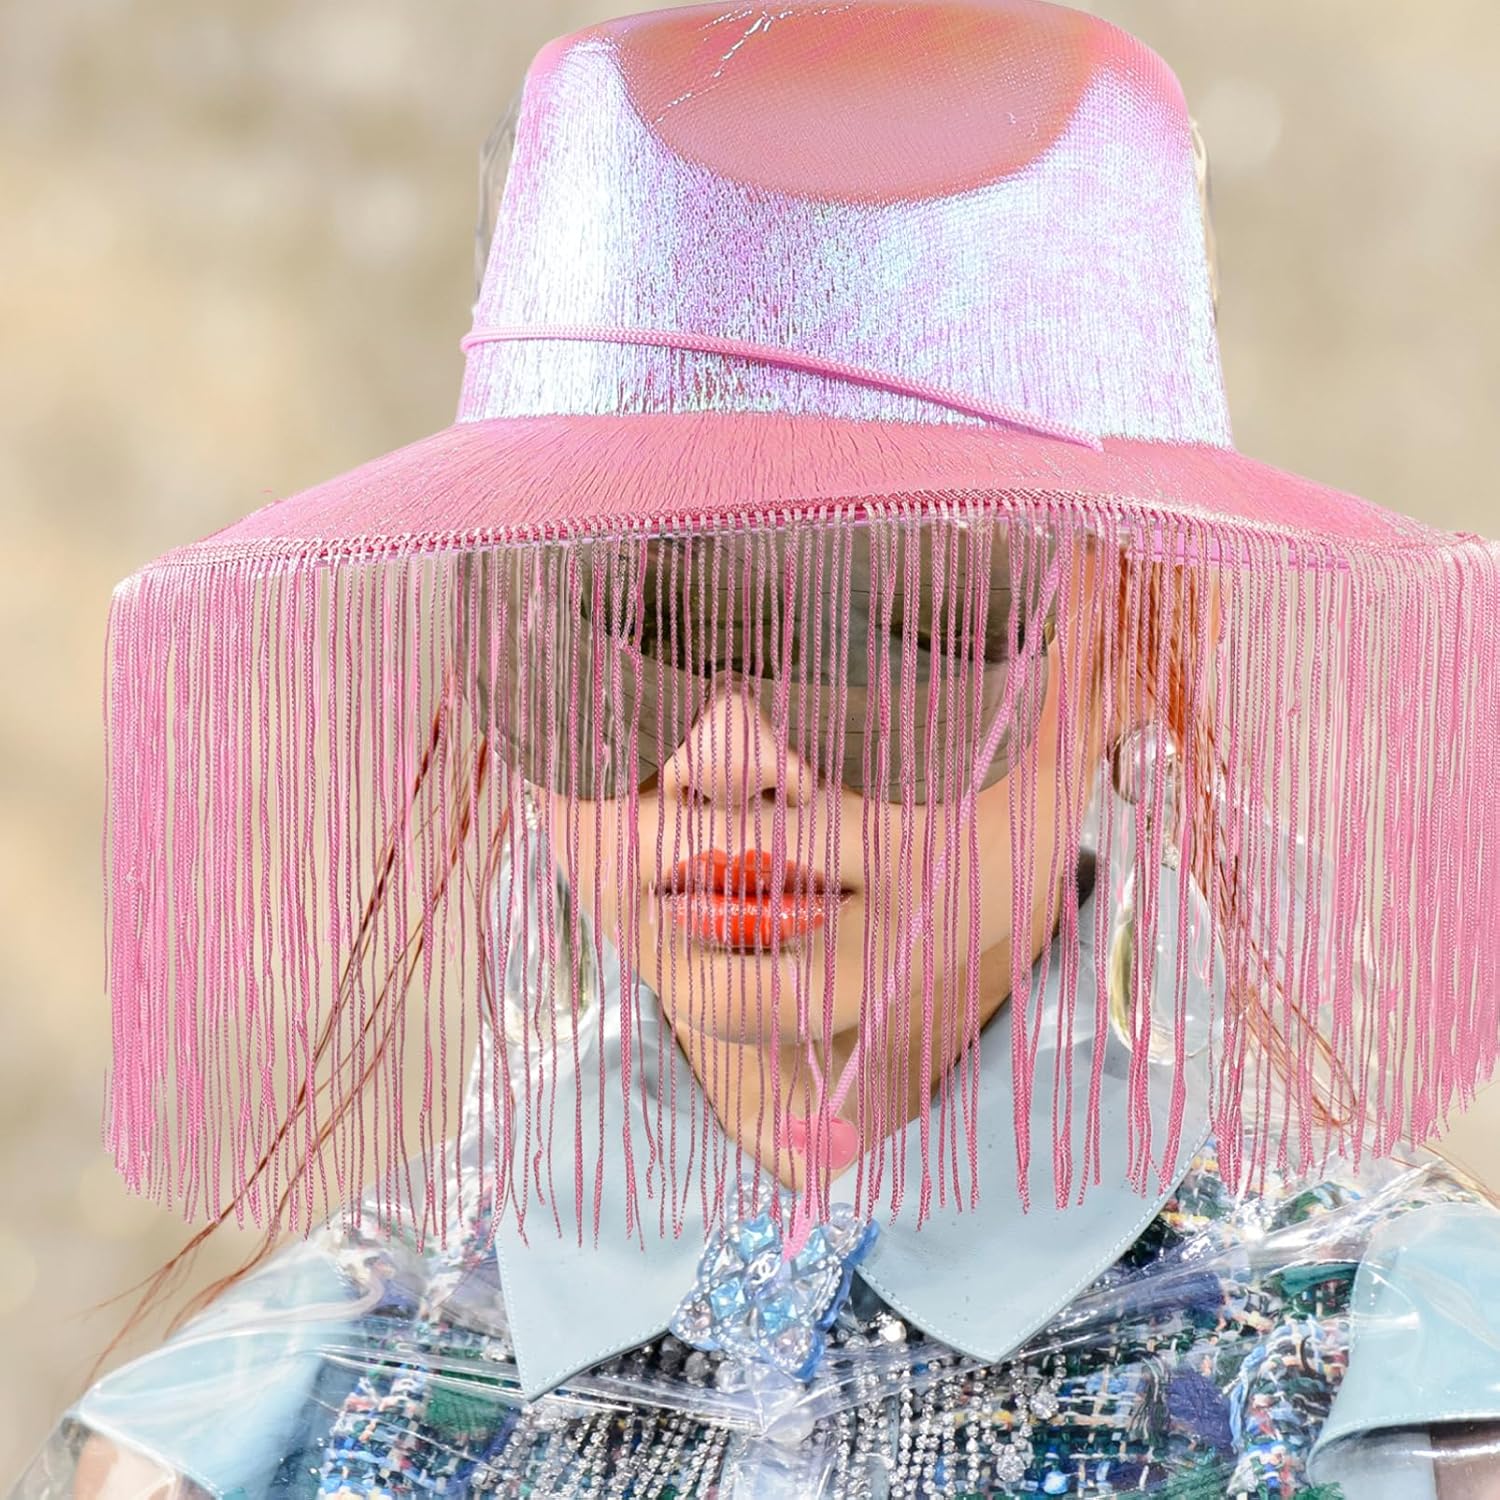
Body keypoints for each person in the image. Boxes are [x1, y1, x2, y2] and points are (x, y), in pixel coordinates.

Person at [19, 2, 1500, 1496]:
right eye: (617, 616)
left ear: (1139, 631)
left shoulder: (1415, 1390)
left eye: (885, 615)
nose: (728, 757)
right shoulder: (256, 1425)